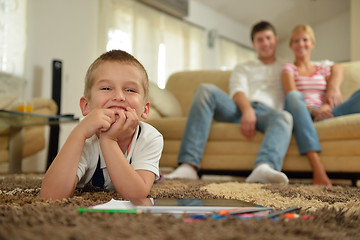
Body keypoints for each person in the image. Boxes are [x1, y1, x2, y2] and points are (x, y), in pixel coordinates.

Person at [165, 21, 293, 184]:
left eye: (268, 38)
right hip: (237, 109)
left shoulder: (287, 67)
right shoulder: (243, 67)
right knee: (205, 89)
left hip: (269, 115)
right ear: (254, 44)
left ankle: (263, 168)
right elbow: (237, 91)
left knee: (285, 117)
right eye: (260, 39)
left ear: (275, 39)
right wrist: (247, 111)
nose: (265, 43)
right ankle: (188, 166)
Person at [40, 50, 164, 200]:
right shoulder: (84, 136)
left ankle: (152, 172)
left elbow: (136, 195)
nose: (119, 97)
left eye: (130, 90)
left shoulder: (150, 137)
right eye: (106, 88)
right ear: (86, 106)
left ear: (145, 110)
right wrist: (79, 133)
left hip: (138, 171)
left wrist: (108, 140)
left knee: (148, 177)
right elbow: (50, 196)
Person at [281, 24, 360, 187]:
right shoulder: (289, 68)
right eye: (296, 41)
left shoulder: (323, 69)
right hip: (303, 113)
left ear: (312, 44)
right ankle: (318, 169)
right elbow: (291, 94)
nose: (301, 44)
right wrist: (314, 111)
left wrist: (327, 102)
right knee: (294, 97)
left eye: (305, 39)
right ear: (291, 45)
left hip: (326, 113)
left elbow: (337, 68)